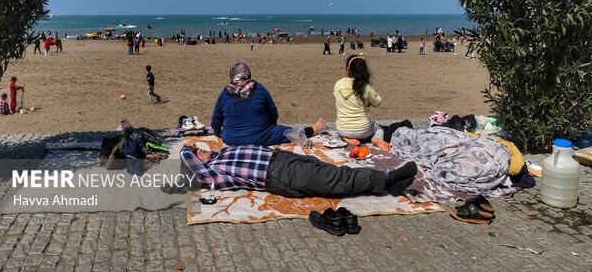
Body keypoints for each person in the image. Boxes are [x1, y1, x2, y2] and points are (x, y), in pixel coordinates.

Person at [178, 141, 418, 198]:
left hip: (280, 157)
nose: (200, 147)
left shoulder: (222, 152)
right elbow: (189, 162)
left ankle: (389, 185)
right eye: (196, 150)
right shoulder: (214, 172)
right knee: (334, 180)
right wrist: (187, 152)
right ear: (196, 162)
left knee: (328, 169)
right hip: (279, 176)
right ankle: (388, 177)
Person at [211, 63, 325, 146]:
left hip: (231, 138)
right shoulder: (259, 88)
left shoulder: (225, 93)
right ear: (248, 74)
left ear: (232, 76)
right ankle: (313, 130)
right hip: (260, 136)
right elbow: (273, 113)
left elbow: (216, 120)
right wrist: (270, 126)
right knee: (288, 132)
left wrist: (217, 132)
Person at [333, 55, 388, 150]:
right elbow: (377, 102)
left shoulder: (338, 84)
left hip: (343, 129)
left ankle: (345, 137)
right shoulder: (365, 87)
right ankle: (376, 139)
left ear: (348, 69)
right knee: (379, 129)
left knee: (340, 128)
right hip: (364, 130)